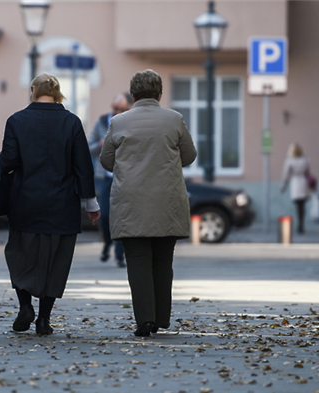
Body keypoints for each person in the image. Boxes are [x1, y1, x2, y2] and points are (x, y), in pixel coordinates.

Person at [1, 73, 101, 335]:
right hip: (62, 203)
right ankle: (44, 319)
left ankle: (25, 306)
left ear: (33, 90)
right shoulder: (71, 122)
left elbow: (8, 162)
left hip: (25, 201)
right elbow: (83, 166)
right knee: (56, 261)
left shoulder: (16, 121)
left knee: (20, 254)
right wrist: (91, 203)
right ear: (58, 93)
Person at [100, 69, 197, 337]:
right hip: (167, 200)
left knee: (137, 261)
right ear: (159, 93)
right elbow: (189, 155)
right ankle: (162, 317)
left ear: (132, 95)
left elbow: (106, 161)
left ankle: (145, 320)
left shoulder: (119, 122)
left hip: (130, 202)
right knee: (163, 261)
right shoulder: (174, 119)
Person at [88, 93, 132, 268]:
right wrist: (99, 144)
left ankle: (120, 255)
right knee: (105, 215)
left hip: (125, 178)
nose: (117, 112)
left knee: (121, 217)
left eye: (122, 110)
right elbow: (87, 146)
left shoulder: (131, 123)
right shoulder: (101, 122)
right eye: (115, 108)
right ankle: (107, 243)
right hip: (105, 178)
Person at [280, 143, 311, 234]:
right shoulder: (305, 160)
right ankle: (301, 224)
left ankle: (299, 225)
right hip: (304, 182)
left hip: (295, 183)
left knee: (298, 205)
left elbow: (286, 175)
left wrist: (283, 186)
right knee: (302, 205)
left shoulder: (290, 161)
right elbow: (308, 172)